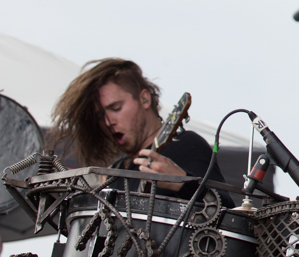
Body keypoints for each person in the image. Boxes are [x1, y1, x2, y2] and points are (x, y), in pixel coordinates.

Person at [48, 58, 229, 201]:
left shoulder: (185, 146)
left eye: (116, 108)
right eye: (100, 116)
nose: (108, 122)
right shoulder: (114, 173)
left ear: (144, 99)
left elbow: (225, 210)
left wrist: (181, 183)